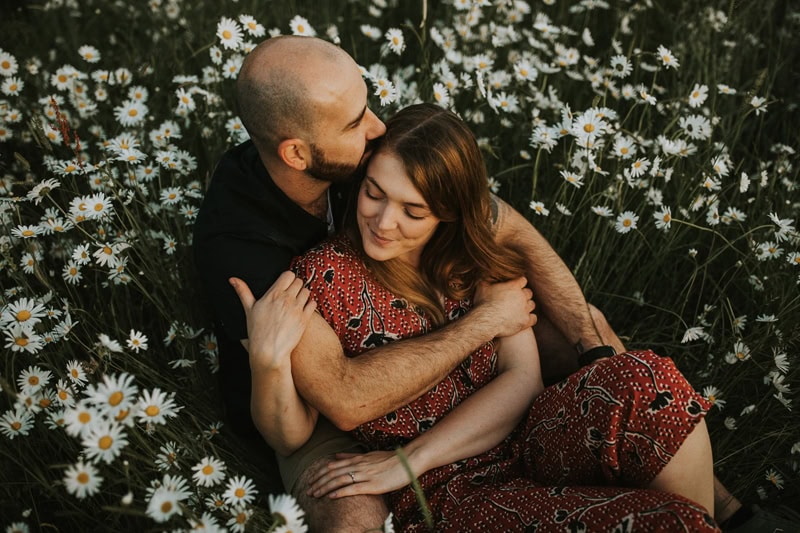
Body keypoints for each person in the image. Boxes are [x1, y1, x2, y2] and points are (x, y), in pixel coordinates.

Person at [197, 35, 771, 532]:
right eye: (356, 124)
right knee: (346, 507)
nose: (377, 127)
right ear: (298, 154)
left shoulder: (370, 158)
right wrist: (481, 326)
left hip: (455, 359)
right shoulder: (246, 249)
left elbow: (503, 226)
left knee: (606, 349)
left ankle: (706, 497)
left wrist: (590, 346)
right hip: (323, 408)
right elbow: (343, 399)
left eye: (413, 208)